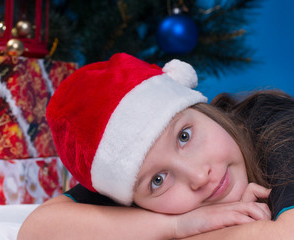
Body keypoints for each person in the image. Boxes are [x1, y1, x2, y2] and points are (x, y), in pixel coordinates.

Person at [18, 53, 294, 240]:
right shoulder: (150, 202)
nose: (199, 177)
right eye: (158, 181)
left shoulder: (274, 123)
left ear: (198, 108)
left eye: (184, 137)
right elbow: (36, 231)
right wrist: (177, 226)